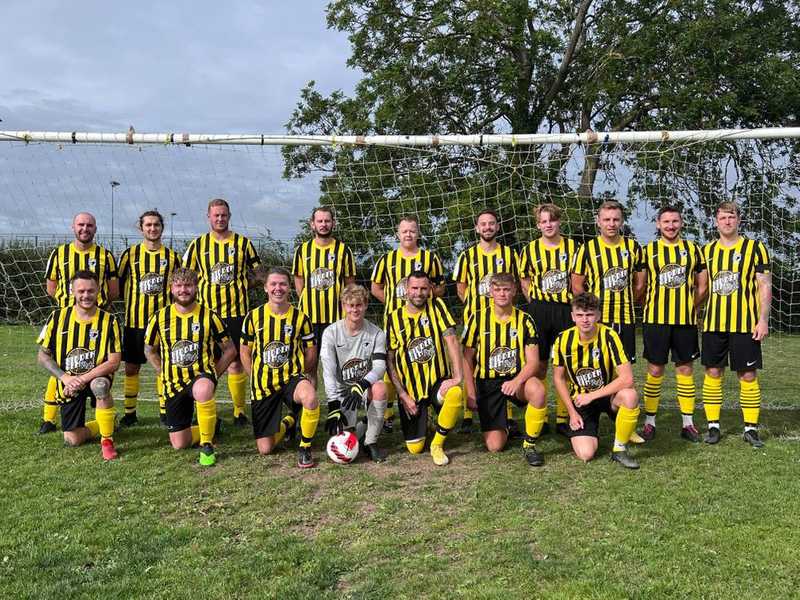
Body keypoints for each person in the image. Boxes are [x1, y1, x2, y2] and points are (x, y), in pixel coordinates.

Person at [144, 267, 237, 467]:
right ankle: (211, 426)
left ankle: (207, 444)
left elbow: (230, 350)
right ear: (171, 289)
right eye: (178, 285)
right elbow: (149, 350)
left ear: (196, 288)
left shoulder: (209, 316)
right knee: (180, 444)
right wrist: (162, 371)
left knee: (203, 389)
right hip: (173, 384)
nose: (183, 290)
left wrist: (213, 375)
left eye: (188, 285)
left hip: (199, 376)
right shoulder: (159, 317)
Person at [572, 200, 645, 444]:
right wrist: (591, 312)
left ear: (621, 221)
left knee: (622, 374)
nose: (611, 224)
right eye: (607, 219)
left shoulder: (633, 248)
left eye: (615, 219)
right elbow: (577, 285)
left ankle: (625, 425)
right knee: (596, 368)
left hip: (624, 319)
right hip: (597, 324)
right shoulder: (587, 249)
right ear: (598, 221)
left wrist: (625, 302)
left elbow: (640, 283)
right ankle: (589, 414)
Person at [39, 212, 119, 434]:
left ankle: (105, 422)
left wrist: (96, 308)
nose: (85, 228)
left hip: (98, 322)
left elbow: (113, 292)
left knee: (97, 373)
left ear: (95, 228)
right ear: (73, 227)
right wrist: (69, 307)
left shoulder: (106, 256)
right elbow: (51, 286)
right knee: (61, 365)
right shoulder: (59, 253)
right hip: (66, 320)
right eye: (81, 224)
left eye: (89, 225)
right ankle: (48, 419)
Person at [183, 198, 260, 427]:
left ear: (229, 216)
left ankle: (238, 412)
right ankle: (206, 409)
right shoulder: (197, 245)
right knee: (205, 363)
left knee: (235, 362)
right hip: (208, 315)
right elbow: (186, 277)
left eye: (223, 215)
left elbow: (259, 272)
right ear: (208, 216)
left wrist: (244, 285)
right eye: (216, 215)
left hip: (237, 313)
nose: (220, 218)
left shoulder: (243, 243)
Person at [701, 202, 771, 447]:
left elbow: (764, 285)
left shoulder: (755, 248)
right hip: (713, 324)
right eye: (722, 217)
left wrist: (763, 319)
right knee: (712, 372)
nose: (727, 221)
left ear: (739, 220)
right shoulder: (707, 250)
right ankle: (713, 427)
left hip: (745, 324)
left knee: (748, 374)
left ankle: (750, 429)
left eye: (731, 217)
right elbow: (701, 287)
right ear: (716, 221)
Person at [462, 273, 547, 466]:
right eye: (498, 289)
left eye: (506, 289)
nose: (502, 294)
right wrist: (471, 392)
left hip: (516, 380)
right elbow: (467, 358)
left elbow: (533, 362)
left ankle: (529, 444)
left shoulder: (525, 320)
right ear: (490, 291)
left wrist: (516, 381)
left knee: (538, 390)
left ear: (514, 291)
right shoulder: (477, 319)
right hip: (487, 383)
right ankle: (506, 426)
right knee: (495, 446)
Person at [240, 267, 321, 468]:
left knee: (310, 397)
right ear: (266, 288)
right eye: (273, 284)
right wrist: (254, 376)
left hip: (291, 379)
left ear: (289, 287)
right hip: (263, 385)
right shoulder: (253, 317)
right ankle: (289, 421)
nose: (278, 288)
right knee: (265, 449)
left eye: (283, 284)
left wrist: (304, 375)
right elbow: (244, 352)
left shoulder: (301, 318)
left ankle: (305, 447)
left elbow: (311, 350)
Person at [36, 270, 121, 460]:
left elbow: (114, 361)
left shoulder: (109, 321)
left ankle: (107, 441)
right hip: (68, 382)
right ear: (72, 291)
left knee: (100, 385)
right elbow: (42, 356)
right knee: (72, 439)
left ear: (98, 290)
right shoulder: (56, 318)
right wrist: (66, 378)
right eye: (81, 291)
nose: (86, 295)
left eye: (90, 291)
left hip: (95, 377)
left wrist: (81, 378)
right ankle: (104, 423)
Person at [639, 206, 707, 442]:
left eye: (675, 221)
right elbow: (640, 287)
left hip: (685, 322)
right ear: (658, 223)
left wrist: (691, 307)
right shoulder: (648, 251)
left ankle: (687, 424)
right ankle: (649, 422)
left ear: (681, 223)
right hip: (655, 320)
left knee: (685, 370)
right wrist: (648, 305)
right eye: (666, 221)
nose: (670, 225)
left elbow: (703, 286)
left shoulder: (693, 249)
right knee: (655, 369)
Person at [371, 215, 445, 433]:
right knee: (391, 365)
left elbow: (440, 288)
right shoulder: (387, 259)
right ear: (397, 234)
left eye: (412, 230)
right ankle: (388, 414)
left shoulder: (430, 258)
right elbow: (376, 288)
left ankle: (428, 407)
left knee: (424, 363)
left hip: (424, 323)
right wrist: (396, 305)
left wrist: (423, 297)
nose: (408, 234)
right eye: (404, 231)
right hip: (395, 323)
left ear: (418, 233)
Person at [552, 293, 641, 469]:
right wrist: (572, 412)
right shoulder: (562, 340)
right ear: (573, 316)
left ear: (598, 316)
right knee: (586, 454)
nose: (585, 320)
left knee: (630, 396)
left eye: (590, 314)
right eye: (580, 315)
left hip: (607, 396)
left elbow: (627, 378)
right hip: (580, 400)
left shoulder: (609, 336)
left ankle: (619, 449)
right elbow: (558, 378)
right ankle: (597, 428)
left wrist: (592, 395)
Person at [452, 209, 520, 434]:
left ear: (498, 227)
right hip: (475, 320)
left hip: (503, 320)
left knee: (503, 360)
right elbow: (461, 288)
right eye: (483, 224)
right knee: (469, 361)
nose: (488, 227)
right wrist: (475, 307)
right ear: (477, 228)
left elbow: (515, 285)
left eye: (492, 223)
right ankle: (468, 413)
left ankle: (507, 414)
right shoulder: (467, 256)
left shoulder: (510, 254)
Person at [386, 270, 463, 466]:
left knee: (454, 393)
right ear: (406, 289)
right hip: (412, 390)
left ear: (429, 289)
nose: (419, 293)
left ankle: (437, 444)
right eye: (414, 288)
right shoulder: (393, 318)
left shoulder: (437, 306)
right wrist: (403, 396)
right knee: (414, 448)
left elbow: (452, 340)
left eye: (423, 288)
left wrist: (457, 376)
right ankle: (426, 421)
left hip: (437, 381)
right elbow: (390, 360)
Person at [519, 203, 580, 436]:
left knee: (566, 364)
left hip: (566, 309)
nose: (548, 225)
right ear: (538, 225)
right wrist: (535, 302)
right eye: (544, 221)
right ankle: (541, 415)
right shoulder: (530, 250)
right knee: (540, 364)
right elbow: (524, 280)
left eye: (552, 220)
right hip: (539, 311)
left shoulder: (574, 247)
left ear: (559, 222)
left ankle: (564, 417)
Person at [117, 210, 181, 426]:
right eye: (148, 225)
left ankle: (164, 412)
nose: (152, 228)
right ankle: (129, 413)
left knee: (162, 366)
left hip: (163, 325)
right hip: (134, 323)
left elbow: (179, 289)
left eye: (156, 225)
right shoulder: (130, 255)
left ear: (162, 227)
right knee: (131, 368)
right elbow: (117, 286)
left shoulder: (173, 257)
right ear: (141, 228)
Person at [320, 284, 388, 463]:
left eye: (359, 305)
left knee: (380, 388)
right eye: (350, 305)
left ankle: (371, 442)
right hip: (343, 391)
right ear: (343, 306)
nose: (354, 309)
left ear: (365, 305)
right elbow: (327, 371)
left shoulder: (377, 333)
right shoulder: (330, 333)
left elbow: (380, 367)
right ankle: (364, 424)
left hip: (364, 387)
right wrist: (333, 404)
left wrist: (362, 384)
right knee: (347, 438)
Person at [292, 206, 356, 351]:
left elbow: (350, 287)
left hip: (337, 318)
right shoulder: (302, 250)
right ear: (312, 224)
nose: (323, 224)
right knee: (309, 363)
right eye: (319, 221)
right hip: (309, 317)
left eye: (327, 221)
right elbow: (299, 285)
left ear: (333, 223)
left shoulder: (344, 250)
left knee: (337, 363)